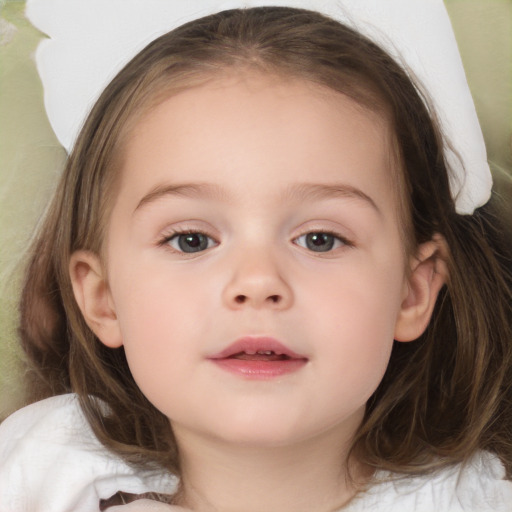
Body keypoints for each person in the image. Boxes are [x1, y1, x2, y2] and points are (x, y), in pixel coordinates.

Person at [1, 4, 511, 512]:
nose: (258, 282)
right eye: (191, 240)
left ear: (412, 291)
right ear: (103, 298)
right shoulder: (39, 476)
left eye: (320, 240)